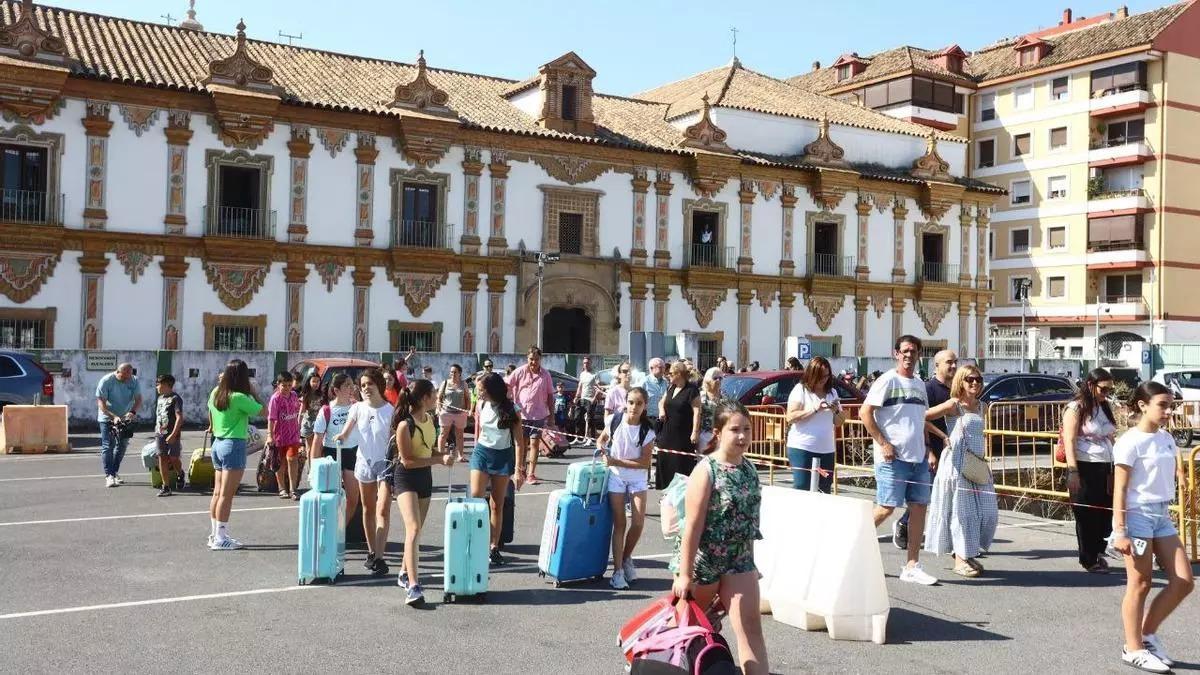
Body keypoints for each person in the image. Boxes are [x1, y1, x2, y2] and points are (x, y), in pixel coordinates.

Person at [671, 400, 767, 675]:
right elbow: (692, 526)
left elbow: (748, 523)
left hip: (739, 560)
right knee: (685, 631)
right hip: (704, 562)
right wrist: (684, 575)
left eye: (747, 429)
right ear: (718, 432)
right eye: (735, 430)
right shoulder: (706, 470)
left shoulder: (749, 469)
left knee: (751, 628)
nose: (742, 436)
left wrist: (752, 563)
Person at [1112, 381, 1194, 673]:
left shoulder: (1166, 438)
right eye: (1162, 405)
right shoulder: (1129, 442)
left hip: (1161, 515)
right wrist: (1120, 531)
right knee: (1140, 584)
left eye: (1171, 406)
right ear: (1142, 405)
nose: (1169, 411)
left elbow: (1168, 466)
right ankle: (1133, 648)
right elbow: (1120, 489)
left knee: (1184, 581)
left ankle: (1146, 635)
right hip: (1137, 516)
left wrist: (1179, 476)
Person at [860, 335, 943, 586]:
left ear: (919, 355)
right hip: (893, 459)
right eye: (905, 351)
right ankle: (850, 545)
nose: (909, 355)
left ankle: (912, 565)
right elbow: (865, 412)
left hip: (918, 458)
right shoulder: (887, 380)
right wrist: (883, 443)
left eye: (913, 351)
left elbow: (920, 420)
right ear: (896, 353)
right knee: (886, 507)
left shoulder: (919, 384)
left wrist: (928, 449)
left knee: (919, 507)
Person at [923, 364, 997, 577]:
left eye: (978, 379)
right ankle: (961, 559)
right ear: (961, 382)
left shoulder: (983, 406)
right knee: (962, 513)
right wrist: (942, 436)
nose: (975, 383)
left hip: (976, 464)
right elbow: (923, 416)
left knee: (987, 512)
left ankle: (966, 552)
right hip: (956, 464)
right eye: (969, 379)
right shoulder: (954, 404)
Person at [390, 379, 453, 607]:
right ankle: (414, 586)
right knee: (414, 528)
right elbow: (407, 461)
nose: (437, 397)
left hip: (425, 477)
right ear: (425, 398)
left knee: (416, 532)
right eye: (434, 394)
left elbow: (429, 450)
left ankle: (404, 572)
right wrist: (438, 460)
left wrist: (443, 456)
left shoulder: (430, 420)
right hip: (406, 478)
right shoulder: (405, 425)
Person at [894, 350, 958, 549]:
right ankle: (904, 524)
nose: (954, 366)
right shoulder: (928, 388)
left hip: (952, 452)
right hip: (932, 451)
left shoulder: (956, 390)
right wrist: (929, 451)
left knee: (952, 496)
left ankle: (954, 540)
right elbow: (920, 419)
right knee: (924, 496)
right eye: (949, 362)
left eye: (955, 362)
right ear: (937, 365)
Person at [335, 368, 396, 576]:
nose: (366, 388)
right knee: (368, 509)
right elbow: (346, 431)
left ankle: (379, 556)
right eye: (362, 385)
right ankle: (372, 552)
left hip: (385, 464)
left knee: (382, 510)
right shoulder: (357, 408)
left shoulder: (390, 411)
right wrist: (341, 437)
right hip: (364, 463)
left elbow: (395, 439)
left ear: (379, 385)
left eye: (370, 384)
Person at [597, 386, 655, 590]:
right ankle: (618, 572)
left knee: (638, 523)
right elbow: (602, 439)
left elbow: (644, 463)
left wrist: (615, 461)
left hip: (637, 478)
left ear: (645, 406)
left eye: (639, 403)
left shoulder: (647, 430)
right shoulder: (614, 420)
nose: (634, 407)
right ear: (625, 402)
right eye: (631, 402)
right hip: (616, 478)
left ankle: (626, 557)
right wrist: (602, 449)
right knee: (620, 523)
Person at [1063, 367, 1118, 574]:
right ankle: (1088, 558)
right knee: (1087, 514)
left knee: (1105, 513)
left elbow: (1110, 435)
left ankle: (1098, 552)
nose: (1106, 394)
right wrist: (1073, 471)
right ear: (1090, 385)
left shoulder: (1103, 406)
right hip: (1085, 465)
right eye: (1103, 389)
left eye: (1109, 390)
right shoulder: (1076, 408)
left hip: (1106, 464)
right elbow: (1069, 440)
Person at [470, 372, 527, 566]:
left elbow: (519, 442)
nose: (478, 393)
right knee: (476, 497)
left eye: (481, 390)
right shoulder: (481, 404)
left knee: (497, 504)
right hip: (482, 452)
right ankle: (476, 541)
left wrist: (519, 470)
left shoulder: (512, 409)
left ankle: (494, 547)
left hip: (503, 456)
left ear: (492, 390)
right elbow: (480, 430)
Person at [206, 359, 263, 550]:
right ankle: (220, 538)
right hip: (233, 444)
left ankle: (215, 534)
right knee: (226, 495)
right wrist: (254, 392)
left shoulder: (216, 392)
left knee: (217, 492)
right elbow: (265, 411)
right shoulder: (239, 397)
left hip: (218, 443)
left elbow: (210, 411)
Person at [785, 356, 843, 493]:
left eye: (827, 376)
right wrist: (815, 409)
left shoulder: (832, 393)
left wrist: (836, 411)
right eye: (820, 376)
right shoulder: (800, 390)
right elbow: (790, 417)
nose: (824, 379)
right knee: (802, 487)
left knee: (824, 489)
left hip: (827, 450)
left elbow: (839, 422)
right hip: (802, 448)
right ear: (811, 374)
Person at [311, 373, 361, 527]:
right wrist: (314, 468)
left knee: (353, 498)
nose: (351, 388)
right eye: (347, 385)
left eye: (352, 384)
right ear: (336, 390)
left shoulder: (357, 407)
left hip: (352, 453)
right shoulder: (326, 410)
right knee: (330, 498)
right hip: (331, 454)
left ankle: (340, 529)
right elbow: (317, 441)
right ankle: (328, 529)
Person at [506, 346, 554, 486]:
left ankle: (531, 473)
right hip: (521, 415)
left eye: (536, 359)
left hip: (539, 415)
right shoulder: (519, 371)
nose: (533, 362)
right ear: (527, 358)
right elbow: (507, 385)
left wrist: (551, 416)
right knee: (522, 444)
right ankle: (521, 470)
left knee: (534, 444)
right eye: (531, 359)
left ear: (540, 359)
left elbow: (550, 396)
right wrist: (509, 401)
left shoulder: (545, 375)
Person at [655, 361, 702, 490]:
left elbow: (697, 411)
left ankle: (680, 493)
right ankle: (665, 492)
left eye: (671, 373)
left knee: (680, 465)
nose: (668, 375)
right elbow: (661, 402)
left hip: (682, 435)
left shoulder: (692, 390)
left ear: (679, 374)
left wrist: (695, 431)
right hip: (667, 432)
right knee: (665, 463)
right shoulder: (671, 387)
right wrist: (661, 411)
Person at [96, 362, 142, 487]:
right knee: (108, 445)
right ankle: (109, 475)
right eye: (124, 376)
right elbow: (101, 403)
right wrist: (113, 417)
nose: (127, 379)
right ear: (117, 372)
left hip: (125, 418)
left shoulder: (134, 380)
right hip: (107, 417)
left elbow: (138, 399)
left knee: (122, 445)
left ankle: (114, 472)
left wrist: (132, 412)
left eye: (129, 376)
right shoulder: (106, 381)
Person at [267, 372, 304, 501]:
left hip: (293, 435)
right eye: (284, 385)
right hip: (279, 436)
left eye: (289, 385)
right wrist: (270, 435)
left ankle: (293, 489)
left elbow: (297, 411)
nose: (287, 388)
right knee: (281, 462)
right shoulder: (275, 399)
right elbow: (271, 419)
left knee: (292, 459)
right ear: (278, 385)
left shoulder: (294, 395)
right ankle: (282, 488)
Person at [153, 374, 184, 497]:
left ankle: (180, 473)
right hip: (159, 433)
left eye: (158, 384)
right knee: (162, 458)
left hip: (172, 434)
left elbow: (179, 418)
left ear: (166, 385)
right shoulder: (160, 398)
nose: (157, 387)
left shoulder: (176, 399)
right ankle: (166, 486)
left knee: (173, 458)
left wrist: (173, 434)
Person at [436, 363, 470, 463]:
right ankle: (440, 456)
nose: (453, 374)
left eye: (455, 372)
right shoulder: (445, 383)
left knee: (460, 435)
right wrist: (439, 409)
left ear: (460, 373)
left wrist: (467, 409)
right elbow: (439, 398)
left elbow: (467, 398)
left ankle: (460, 456)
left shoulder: (464, 384)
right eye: (451, 372)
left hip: (460, 413)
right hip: (446, 412)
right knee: (443, 434)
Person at [299, 373, 326, 460]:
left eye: (318, 381)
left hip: (319, 423)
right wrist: (298, 425)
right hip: (308, 423)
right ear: (309, 382)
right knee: (310, 448)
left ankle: (318, 466)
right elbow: (302, 411)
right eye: (313, 381)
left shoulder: (322, 394)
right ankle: (311, 467)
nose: (316, 383)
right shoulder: (306, 395)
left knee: (319, 448)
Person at [575, 356, 600, 445]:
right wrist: (576, 397)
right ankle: (578, 438)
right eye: (584, 363)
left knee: (590, 419)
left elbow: (598, 387)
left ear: (590, 364)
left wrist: (594, 398)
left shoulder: (595, 374)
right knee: (577, 417)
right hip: (582, 398)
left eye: (587, 363)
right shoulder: (582, 374)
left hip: (590, 399)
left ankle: (591, 439)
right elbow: (580, 386)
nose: (586, 364)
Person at [698, 367, 723, 453]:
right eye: (715, 378)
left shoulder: (724, 395)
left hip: (720, 435)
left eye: (720, 378)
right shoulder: (700, 395)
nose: (718, 381)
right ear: (708, 379)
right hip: (704, 434)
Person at [643, 358, 669, 428]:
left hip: (663, 420)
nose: (663, 370)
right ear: (651, 368)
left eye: (664, 367)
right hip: (648, 420)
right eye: (660, 367)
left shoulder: (666, 383)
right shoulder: (644, 382)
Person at [604, 363, 631, 428]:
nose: (628, 373)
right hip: (617, 428)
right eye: (625, 371)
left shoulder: (635, 391)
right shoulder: (613, 392)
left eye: (630, 371)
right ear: (619, 375)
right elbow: (607, 416)